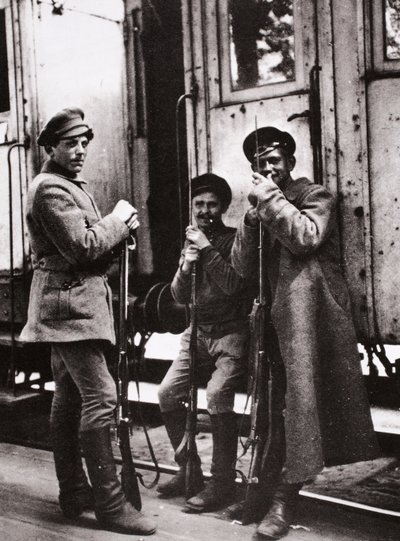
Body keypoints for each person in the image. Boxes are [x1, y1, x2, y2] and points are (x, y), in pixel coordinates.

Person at [231, 126, 379, 540]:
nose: (268, 169)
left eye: (274, 160)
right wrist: (249, 217)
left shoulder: (317, 196)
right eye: (260, 164)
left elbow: (304, 237)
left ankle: (284, 500)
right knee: (270, 409)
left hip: (307, 326)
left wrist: (270, 200)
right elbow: (242, 267)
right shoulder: (263, 204)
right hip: (271, 322)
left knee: (297, 410)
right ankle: (262, 494)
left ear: (291, 162)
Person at [20, 107, 156, 536]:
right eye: (70, 143)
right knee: (102, 399)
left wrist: (116, 230)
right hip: (69, 311)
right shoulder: (50, 190)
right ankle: (111, 506)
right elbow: (82, 247)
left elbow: (88, 247)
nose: (80, 150)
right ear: (51, 147)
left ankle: (74, 494)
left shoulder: (63, 185)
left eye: (84, 142)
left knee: (69, 400)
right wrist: (118, 220)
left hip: (72, 306)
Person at [157, 173, 251, 512]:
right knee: (167, 392)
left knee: (216, 395)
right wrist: (186, 264)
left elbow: (232, 285)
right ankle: (188, 470)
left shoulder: (232, 239)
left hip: (230, 333)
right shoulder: (191, 242)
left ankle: (221, 482)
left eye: (212, 204)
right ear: (192, 208)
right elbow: (179, 295)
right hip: (197, 332)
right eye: (199, 204)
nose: (205, 210)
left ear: (223, 207)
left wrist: (207, 250)